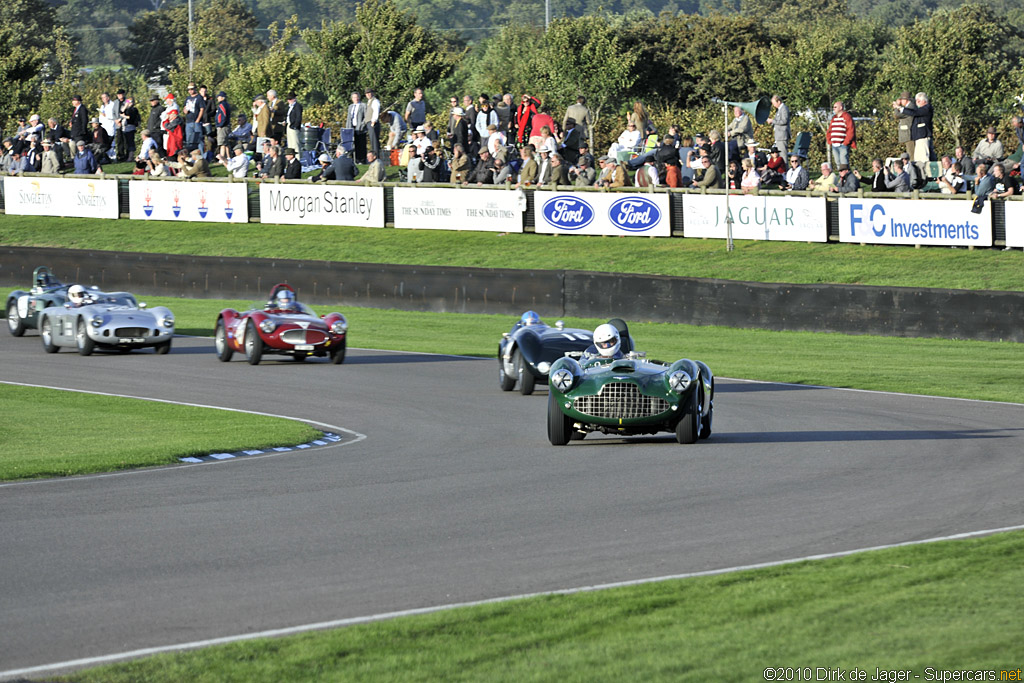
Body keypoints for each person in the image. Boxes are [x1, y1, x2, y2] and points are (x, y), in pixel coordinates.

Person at [827, 101, 855, 166]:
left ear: (841, 107)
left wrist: (846, 142)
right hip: (834, 144)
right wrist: (829, 140)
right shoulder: (834, 118)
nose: (834, 108)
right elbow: (830, 130)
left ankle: (846, 176)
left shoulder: (847, 116)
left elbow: (851, 130)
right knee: (838, 164)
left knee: (844, 163)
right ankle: (841, 176)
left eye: (835, 107)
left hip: (843, 145)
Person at [183, 84, 205, 152]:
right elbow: (184, 108)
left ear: (195, 89)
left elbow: (202, 109)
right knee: (189, 140)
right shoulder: (187, 98)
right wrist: (185, 111)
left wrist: (198, 119)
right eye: (189, 89)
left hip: (196, 122)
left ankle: (201, 155)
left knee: (199, 139)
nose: (190, 91)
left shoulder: (199, 97)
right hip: (189, 121)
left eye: (192, 89)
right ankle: (191, 156)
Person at [893, 91, 915, 158]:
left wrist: (897, 106)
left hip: (909, 135)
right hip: (907, 135)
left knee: (911, 155)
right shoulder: (908, 107)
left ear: (905, 100)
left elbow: (897, 115)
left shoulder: (910, 107)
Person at [347, 92, 367, 163]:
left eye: (357, 97)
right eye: (354, 97)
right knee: (353, 144)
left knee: (361, 144)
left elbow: (366, 116)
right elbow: (349, 118)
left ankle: (362, 159)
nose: (356, 99)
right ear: (352, 99)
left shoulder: (363, 105)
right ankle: (354, 159)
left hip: (360, 128)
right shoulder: (350, 107)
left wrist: (362, 125)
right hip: (352, 127)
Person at [364, 89, 381, 159]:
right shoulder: (369, 102)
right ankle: (373, 157)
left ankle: (376, 157)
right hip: (369, 122)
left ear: (372, 93)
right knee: (372, 141)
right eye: (366, 93)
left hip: (373, 123)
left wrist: (373, 121)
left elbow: (376, 112)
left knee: (374, 142)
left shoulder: (375, 101)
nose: (368, 95)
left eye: (369, 93)